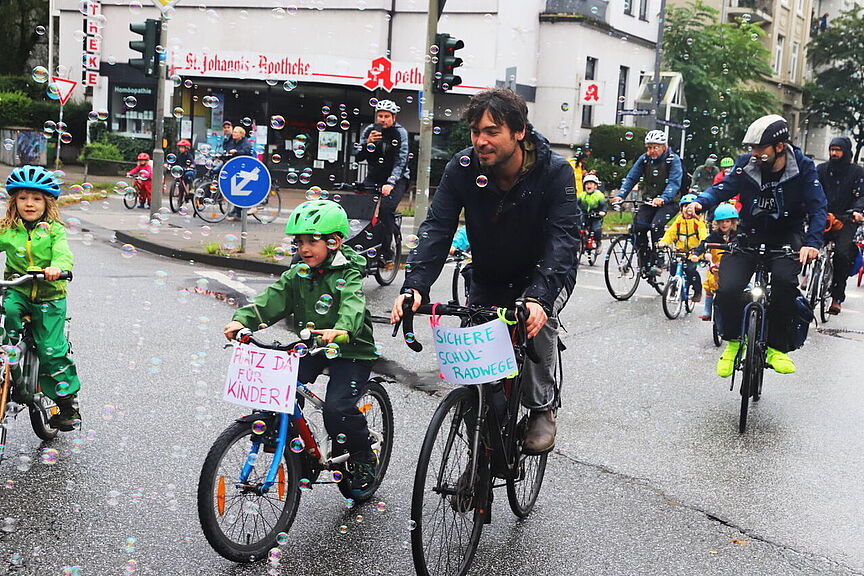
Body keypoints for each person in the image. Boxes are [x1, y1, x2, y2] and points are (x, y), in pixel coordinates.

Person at [390, 88, 580, 453]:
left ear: (519, 131)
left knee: (535, 323)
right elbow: (437, 228)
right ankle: (482, 461)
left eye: (492, 131)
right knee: (478, 375)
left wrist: (539, 298)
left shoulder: (555, 172)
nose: (481, 140)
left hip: (545, 274)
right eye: (476, 131)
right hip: (490, 274)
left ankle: (541, 407)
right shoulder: (462, 169)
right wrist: (415, 286)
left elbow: (563, 239)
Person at [223, 200, 379, 495]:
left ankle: (362, 455)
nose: (304, 249)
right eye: (299, 242)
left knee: (338, 408)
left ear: (334, 242)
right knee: (278, 385)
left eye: (312, 241)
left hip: (351, 349)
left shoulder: (350, 274)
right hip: (312, 344)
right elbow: (272, 299)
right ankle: (287, 437)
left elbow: (353, 305)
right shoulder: (298, 274)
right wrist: (241, 320)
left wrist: (343, 329)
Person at [688, 114, 826, 377]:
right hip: (750, 234)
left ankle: (776, 348)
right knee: (727, 287)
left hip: (787, 237)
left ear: (779, 147)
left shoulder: (805, 168)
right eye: (751, 148)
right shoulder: (746, 164)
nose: (754, 153)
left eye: (760, 148)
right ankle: (732, 342)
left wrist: (812, 243)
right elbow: (722, 189)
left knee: (785, 285)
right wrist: (700, 202)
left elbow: (818, 208)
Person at [1, 166, 80, 431]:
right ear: (14, 201)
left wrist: (57, 267)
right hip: (18, 290)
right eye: (23, 198)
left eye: (36, 198)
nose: (29, 204)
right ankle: (10, 368)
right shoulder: (7, 229)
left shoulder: (54, 231)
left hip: (50, 296)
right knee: (8, 314)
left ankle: (67, 405)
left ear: (47, 202)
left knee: (51, 351)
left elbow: (63, 253)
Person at [610, 130, 684, 275]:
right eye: (649, 147)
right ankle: (645, 261)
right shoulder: (644, 159)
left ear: (664, 146)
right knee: (638, 227)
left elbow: (674, 183)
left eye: (655, 147)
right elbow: (631, 177)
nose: (651, 151)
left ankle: (659, 261)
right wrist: (621, 195)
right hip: (650, 201)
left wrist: (663, 197)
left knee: (656, 226)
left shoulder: (673, 160)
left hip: (670, 202)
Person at [355, 100, 411, 265]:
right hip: (374, 176)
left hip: (397, 178)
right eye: (380, 116)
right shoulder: (369, 131)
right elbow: (358, 156)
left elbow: (401, 160)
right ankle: (364, 246)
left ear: (394, 117)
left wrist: (391, 183)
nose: (383, 119)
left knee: (386, 210)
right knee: (362, 209)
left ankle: (387, 252)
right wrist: (367, 144)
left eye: (387, 116)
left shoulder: (400, 133)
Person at [815, 136, 864, 314]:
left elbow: (861, 196)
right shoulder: (821, 170)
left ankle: (836, 297)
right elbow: (812, 189)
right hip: (822, 216)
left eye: (838, 150)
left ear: (846, 152)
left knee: (842, 255)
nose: (834, 153)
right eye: (832, 149)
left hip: (846, 219)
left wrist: (857, 211)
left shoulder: (857, 172)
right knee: (803, 246)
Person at [692, 203, 739, 320]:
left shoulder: (737, 235)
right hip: (716, 267)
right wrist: (696, 254)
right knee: (710, 286)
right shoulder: (715, 235)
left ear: (733, 222)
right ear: (717, 223)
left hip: (733, 266)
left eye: (727, 221)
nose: (724, 224)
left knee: (741, 286)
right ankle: (707, 311)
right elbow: (704, 243)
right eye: (721, 221)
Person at [656, 193, 708, 302]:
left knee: (691, 270)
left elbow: (704, 237)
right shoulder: (679, 222)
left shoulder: (699, 222)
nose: (688, 209)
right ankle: (674, 286)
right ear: (681, 209)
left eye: (690, 206)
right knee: (673, 268)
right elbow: (671, 233)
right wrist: (664, 242)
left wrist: (699, 252)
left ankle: (697, 290)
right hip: (680, 251)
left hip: (694, 252)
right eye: (685, 206)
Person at [225, 126, 256, 221]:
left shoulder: (246, 143)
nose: (233, 133)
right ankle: (237, 211)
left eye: (236, 132)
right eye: (233, 132)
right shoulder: (232, 142)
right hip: (237, 167)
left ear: (241, 134)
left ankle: (243, 209)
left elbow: (245, 152)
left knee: (239, 187)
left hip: (246, 168)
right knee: (234, 187)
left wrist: (236, 152)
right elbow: (227, 148)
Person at [579, 174, 606, 251]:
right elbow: (576, 203)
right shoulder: (582, 195)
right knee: (578, 226)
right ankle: (580, 242)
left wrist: (603, 212)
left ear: (595, 186)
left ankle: (598, 242)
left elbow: (603, 205)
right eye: (586, 184)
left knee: (596, 229)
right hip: (585, 215)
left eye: (591, 184)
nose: (588, 186)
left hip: (596, 216)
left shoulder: (599, 195)